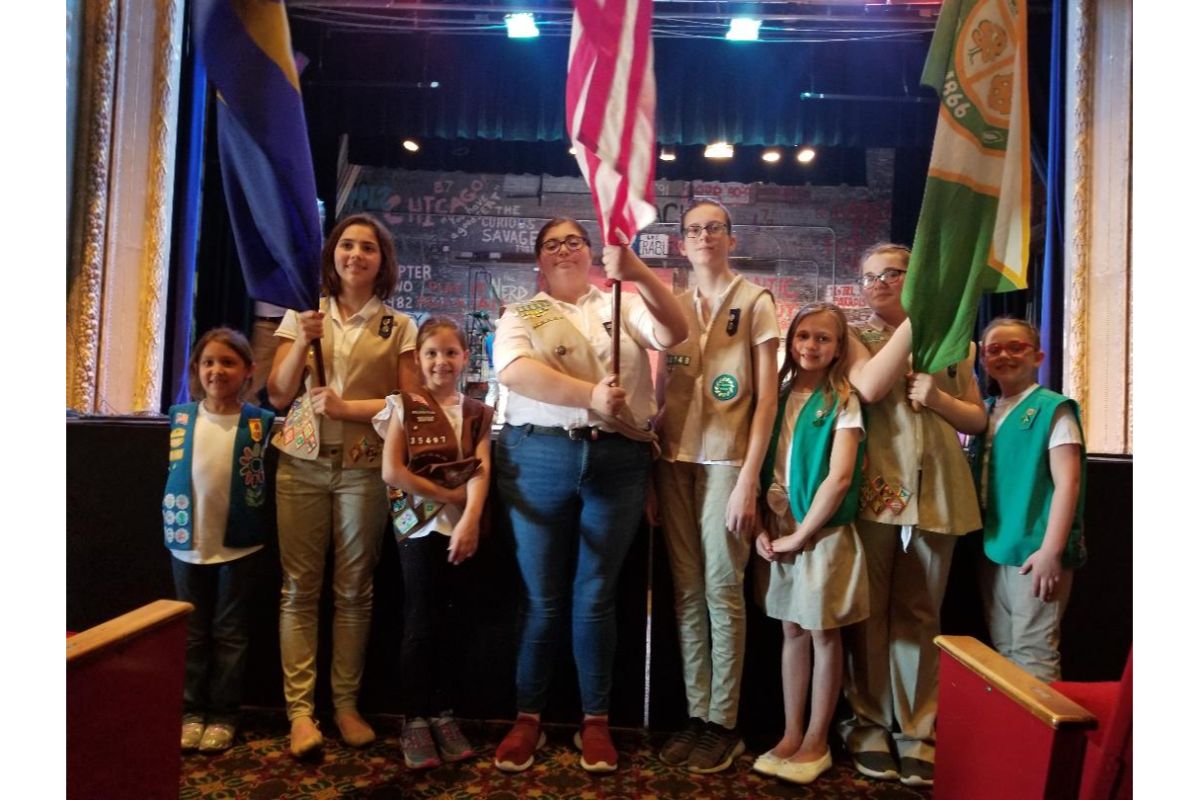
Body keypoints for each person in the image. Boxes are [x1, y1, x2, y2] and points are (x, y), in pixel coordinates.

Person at [491, 218, 687, 774]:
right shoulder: (522, 313)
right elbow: (515, 372)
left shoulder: (622, 301)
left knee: (596, 596)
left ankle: (595, 720)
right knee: (541, 598)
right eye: (551, 244)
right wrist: (591, 395)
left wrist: (640, 272)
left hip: (618, 461)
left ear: (590, 253)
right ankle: (528, 716)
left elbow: (675, 334)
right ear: (539, 260)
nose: (563, 250)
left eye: (573, 241)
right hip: (539, 456)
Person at [267, 213, 420, 759]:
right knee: (299, 588)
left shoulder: (399, 326)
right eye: (348, 245)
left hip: (363, 466)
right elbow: (280, 396)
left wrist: (348, 407)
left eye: (369, 248)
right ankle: (301, 715)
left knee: (355, 589)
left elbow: (410, 403)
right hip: (301, 464)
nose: (357, 255)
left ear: (383, 261)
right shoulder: (303, 317)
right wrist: (297, 344)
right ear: (333, 253)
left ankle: (346, 704)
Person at [838, 242, 987, 787]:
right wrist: (919, 317)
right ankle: (869, 724)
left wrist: (942, 401)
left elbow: (976, 414)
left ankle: (918, 731)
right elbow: (871, 386)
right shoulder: (854, 337)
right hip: (877, 487)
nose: (878, 283)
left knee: (923, 614)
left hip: (938, 489)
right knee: (870, 612)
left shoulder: (957, 343)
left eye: (893, 274)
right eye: (869, 276)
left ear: (917, 277)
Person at [654, 199, 779, 773]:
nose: (704, 236)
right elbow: (661, 395)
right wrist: (654, 467)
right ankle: (696, 712)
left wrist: (749, 479)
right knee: (684, 592)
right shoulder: (672, 307)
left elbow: (766, 401)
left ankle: (724, 722)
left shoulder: (755, 301)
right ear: (682, 243)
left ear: (731, 238)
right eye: (694, 229)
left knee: (722, 592)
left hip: (728, 466)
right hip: (675, 462)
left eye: (714, 228)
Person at [750, 303, 870, 785]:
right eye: (802, 336)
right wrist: (762, 525)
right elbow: (761, 464)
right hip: (778, 528)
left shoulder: (844, 400)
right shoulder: (774, 396)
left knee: (823, 631)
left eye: (823, 338)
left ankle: (818, 737)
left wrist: (803, 533)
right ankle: (791, 731)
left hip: (820, 533)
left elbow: (839, 478)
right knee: (791, 631)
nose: (811, 346)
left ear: (839, 347)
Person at [375, 317, 494, 768]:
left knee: (455, 621)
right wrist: (449, 497)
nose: (441, 361)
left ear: (464, 357)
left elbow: (482, 468)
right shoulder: (404, 405)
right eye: (431, 353)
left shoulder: (477, 411)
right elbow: (392, 472)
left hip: (460, 529)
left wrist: (469, 518)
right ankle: (415, 718)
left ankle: (444, 713)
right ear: (419, 360)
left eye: (450, 352)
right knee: (420, 621)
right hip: (418, 528)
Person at [166, 327, 275, 753]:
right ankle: (191, 710)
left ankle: (225, 713)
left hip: (239, 544)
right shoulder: (181, 418)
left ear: (248, 370)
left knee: (230, 633)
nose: (217, 370)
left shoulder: (259, 423)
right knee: (192, 633)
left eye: (228, 362)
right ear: (196, 368)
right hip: (186, 540)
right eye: (209, 362)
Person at [973, 317, 1085, 681]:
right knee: (1004, 650)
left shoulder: (1054, 409)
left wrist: (1051, 552)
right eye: (994, 349)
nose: (1004, 355)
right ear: (983, 360)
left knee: (1034, 651)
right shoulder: (985, 411)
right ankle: (1012, 737)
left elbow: (1068, 483)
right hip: (995, 546)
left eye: (1015, 347)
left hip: (1037, 551)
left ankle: (1041, 739)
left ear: (1037, 356)